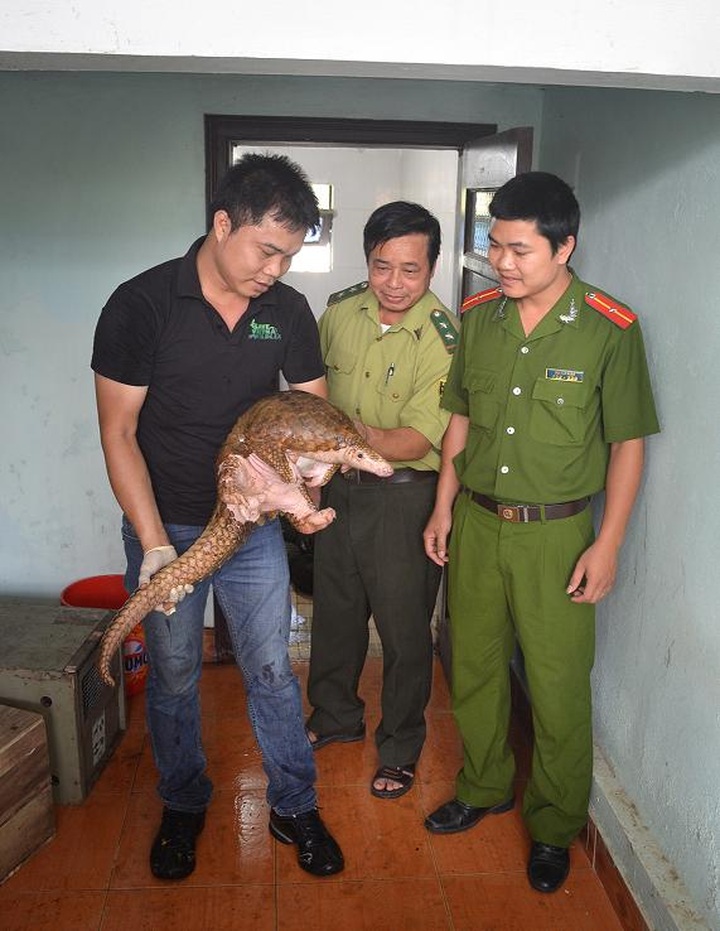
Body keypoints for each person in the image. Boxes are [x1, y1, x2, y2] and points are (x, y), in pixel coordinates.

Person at [91, 153, 344, 880]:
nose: (276, 269)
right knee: (173, 671)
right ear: (222, 222)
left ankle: (294, 803)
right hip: (167, 523)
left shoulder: (286, 311)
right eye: (266, 249)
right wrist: (151, 547)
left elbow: (311, 415)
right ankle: (184, 800)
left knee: (269, 666)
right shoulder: (141, 305)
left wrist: (306, 492)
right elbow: (117, 432)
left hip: (252, 527)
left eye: (290, 256)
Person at [422, 172, 659, 893]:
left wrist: (608, 540)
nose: (503, 262)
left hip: (557, 535)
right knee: (476, 666)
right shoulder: (481, 317)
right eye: (496, 246)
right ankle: (485, 783)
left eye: (520, 249)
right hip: (478, 521)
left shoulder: (609, 328)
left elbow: (627, 443)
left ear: (565, 247)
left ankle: (554, 824)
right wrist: (442, 505)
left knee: (557, 685)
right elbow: (460, 413)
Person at [306, 201, 459, 799]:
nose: (393, 283)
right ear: (366, 260)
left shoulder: (445, 339)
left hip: (403, 497)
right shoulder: (341, 311)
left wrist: (345, 436)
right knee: (336, 615)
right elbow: (309, 387)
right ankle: (335, 717)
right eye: (381, 266)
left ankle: (399, 745)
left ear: (433, 266)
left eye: (410, 270)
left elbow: (417, 439)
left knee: (402, 630)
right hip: (339, 491)